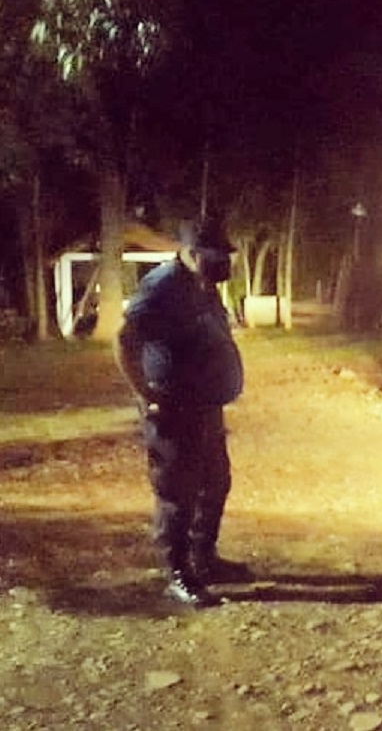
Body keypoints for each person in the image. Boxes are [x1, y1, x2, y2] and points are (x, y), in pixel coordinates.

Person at [115, 215, 252, 607]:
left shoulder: (204, 286)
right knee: (178, 493)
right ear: (190, 253)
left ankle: (204, 558)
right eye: (214, 255)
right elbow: (124, 339)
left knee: (216, 483)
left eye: (225, 255)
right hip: (174, 407)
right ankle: (178, 574)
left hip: (206, 407)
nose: (222, 262)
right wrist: (145, 394)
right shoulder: (162, 286)